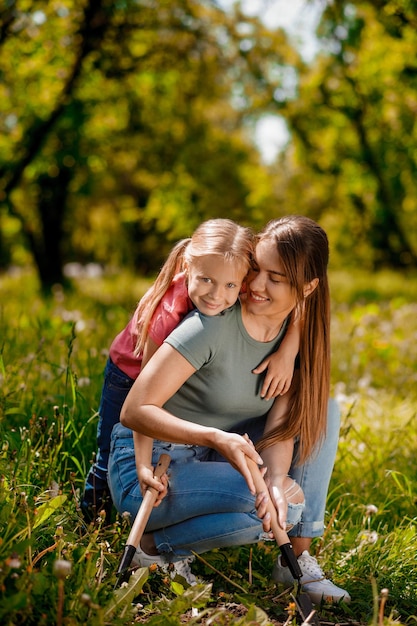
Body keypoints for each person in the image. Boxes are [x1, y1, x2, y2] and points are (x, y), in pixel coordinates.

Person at [108, 215, 351, 604]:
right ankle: (154, 547)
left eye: (276, 278)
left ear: (307, 288)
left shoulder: (295, 334)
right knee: (275, 508)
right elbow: (134, 410)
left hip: (214, 456)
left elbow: (281, 429)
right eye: (256, 269)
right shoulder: (212, 323)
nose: (255, 285)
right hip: (155, 466)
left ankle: (299, 562)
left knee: (317, 420)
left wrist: (273, 481)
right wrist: (215, 438)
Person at [81, 218, 300, 522]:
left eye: (230, 286)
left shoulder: (236, 287)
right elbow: (142, 401)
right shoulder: (168, 314)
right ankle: (89, 520)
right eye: (206, 280)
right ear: (188, 266)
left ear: (243, 280)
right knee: (107, 458)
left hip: (169, 377)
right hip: (129, 372)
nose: (216, 296)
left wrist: (290, 344)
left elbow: (299, 301)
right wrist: (144, 465)